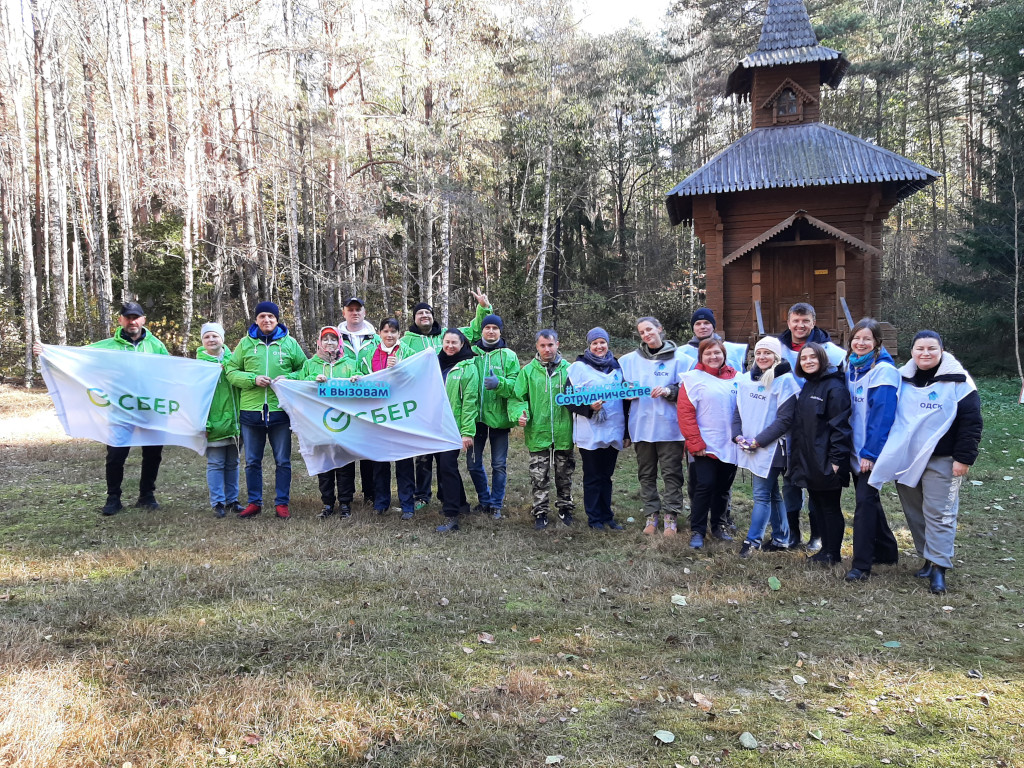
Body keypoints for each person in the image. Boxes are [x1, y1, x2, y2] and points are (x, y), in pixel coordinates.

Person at [869, 331, 983, 595]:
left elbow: (971, 421)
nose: (925, 353)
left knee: (940, 512)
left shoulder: (959, 381)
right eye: (920, 348)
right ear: (912, 352)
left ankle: (940, 567)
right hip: (907, 459)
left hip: (943, 459)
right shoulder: (902, 379)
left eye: (932, 348)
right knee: (915, 511)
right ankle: (928, 558)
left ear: (941, 350)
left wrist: (964, 458)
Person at [34, 301, 170, 516]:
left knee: (153, 453)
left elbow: (170, 372)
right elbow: (74, 358)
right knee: (116, 454)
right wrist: (48, 353)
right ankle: (113, 498)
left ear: (143, 320)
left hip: (150, 409)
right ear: (121, 320)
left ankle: (147, 495)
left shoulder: (156, 346)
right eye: (128, 317)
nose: (132, 321)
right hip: (119, 409)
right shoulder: (107, 346)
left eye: (136, 317)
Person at [404, 291, 492, 510]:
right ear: (414, 318)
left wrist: (482, 307)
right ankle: (422, 495)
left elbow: (472, 331)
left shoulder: (446, 336)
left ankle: (449, 498)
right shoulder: (407, 341)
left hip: (450, 410)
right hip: (423, 408)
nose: (424, 315)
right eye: (420, 313)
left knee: (446, 462)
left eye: (428, 312)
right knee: (423, 456)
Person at [225, 301, 307, 519]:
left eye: (271, 317)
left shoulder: (290, 343)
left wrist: (289, 378)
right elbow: (231, 371)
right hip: (251, 412)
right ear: (256, 320)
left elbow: (304, 369)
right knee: (252, 461)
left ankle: (281, 503)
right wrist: (252, 379)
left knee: (283, 460)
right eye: (262, 316)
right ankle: (254, 502)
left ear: (277, 319)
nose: (267, 320)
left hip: (280, 411)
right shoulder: (245, 344)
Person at [777, 302, 846, 551]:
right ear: (788, 322)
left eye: (805, 320)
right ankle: (792, 532)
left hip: (819, 426)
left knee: (817, 482)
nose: (800, 325)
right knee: (790, 480)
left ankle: (817, 534)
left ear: (813, 322)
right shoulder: (778, 348)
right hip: (788, 426)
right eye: (795, 320)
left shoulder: (832, 352)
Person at [618, 316, 692, 536]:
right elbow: (620, 393)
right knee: (646, 473)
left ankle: (671, 515)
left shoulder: (682, 360)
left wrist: (670, 391)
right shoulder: (628, 361)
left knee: (672, 473)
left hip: (670, 427)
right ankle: (651, 514)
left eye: (649, 329)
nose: (646, 334)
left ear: (660, 329)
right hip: (641, 426)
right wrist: (627, 392)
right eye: (641, 332)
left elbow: (688, 392)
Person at [843, 318, 900, 581]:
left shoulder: (884, 371)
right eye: (857, 338)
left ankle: (861, 565)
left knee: (864, 502)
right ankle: (887, 551)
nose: (861, 343)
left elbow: (883, 416)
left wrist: (870, 453)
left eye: (867, 339)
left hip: (871, 451)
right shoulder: (850, 365)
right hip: (854, 449)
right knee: (870, 499)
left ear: (877, 342)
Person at [731, 336, 798, 556]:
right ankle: (782, 538)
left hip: (772, 449)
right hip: (750, 445)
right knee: (772, 494)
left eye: (767, 353)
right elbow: (738, 410)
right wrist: (737, 436)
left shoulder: (785, 381)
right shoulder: (746, 380)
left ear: (776, 357)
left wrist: (758, 441)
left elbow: (785, 420)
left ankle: (753, 542)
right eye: (759, 353)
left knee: (760, 494)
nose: (762, 357)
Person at [788, 342, 853, 566]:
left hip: (827, 459)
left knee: (830, 506)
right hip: (810, 458)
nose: (808, 361)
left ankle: (833, 554)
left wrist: (836, 461)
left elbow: (840, 427)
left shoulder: (834, 388)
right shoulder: (809, 385)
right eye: (803, 358)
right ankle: (825, 550)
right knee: (818, 503)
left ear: (822, 359)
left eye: (812, 357)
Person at [288, 327, 361, 519]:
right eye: (325, 339)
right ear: (319, 342)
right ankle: (327, 503)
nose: (329, 342)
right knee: (325, 464)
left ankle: (345, 503)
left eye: (333, 339)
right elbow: (299, 385)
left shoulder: (350, 364)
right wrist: (313, 380)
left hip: (344, 422)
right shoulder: (310, 364)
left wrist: (356, 380)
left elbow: (362, 383)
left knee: (344, 463)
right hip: (317, 422)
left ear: (339, 343)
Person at [508, 329, 575, 529]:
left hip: (564, 432)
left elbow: (581, 395)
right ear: (537, 347)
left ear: (558, 344)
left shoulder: (570, 370)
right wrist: (519, 413)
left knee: (565, 473)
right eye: (543, 345)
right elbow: (517, 398)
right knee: (539, 475)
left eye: (550, 345)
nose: (547, 349)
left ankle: (565, 508)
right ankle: (540, 511)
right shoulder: (528, 371)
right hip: (538, 432)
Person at [677, 338, 739, 549]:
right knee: (704, 486)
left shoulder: (737, 378)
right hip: (704, 446)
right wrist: (695, 442)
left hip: (730, 444)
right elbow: (685, 413)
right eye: (708, 353)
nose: (713, 357)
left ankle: (718, 526)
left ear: (724, 354)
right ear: (701, 357)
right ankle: (697, 530)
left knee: (723, 488)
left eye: (717, 353)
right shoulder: (693, 379)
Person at [566, 328, 628, 530]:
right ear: (589, 346)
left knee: (606, 476)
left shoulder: (618, 368)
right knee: (592, 476)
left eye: (602, 342)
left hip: (613, 429)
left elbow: (627, 401)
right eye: (595, 343)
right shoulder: (578, 368)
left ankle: (607, 516)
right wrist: (589, 408)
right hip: (590, 431)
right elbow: (568, 400)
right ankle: (594, 519)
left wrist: (627, 432)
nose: (599, 346)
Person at [357, 318, 417, 520]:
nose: (389, 335)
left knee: (404, 461)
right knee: (379, 461)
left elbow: (417, 378)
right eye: (385, 331)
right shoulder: (369, 353)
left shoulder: (407, 351)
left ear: (399, 333)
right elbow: (360, 374)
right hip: (377, 414)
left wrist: (400, 367)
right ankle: (381, 502)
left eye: (393, 331)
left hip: (400, 413)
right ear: (379, 333)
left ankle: (407, 504)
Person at [468, 313, 520, 520]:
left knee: (499, 464)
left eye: (495, 328)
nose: (491, 331)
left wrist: (500, 384)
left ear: (500, 331)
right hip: (475, 418)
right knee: (473, 463)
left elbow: (517, 386)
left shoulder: (509, 356)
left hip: (499, 419)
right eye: (487, 327)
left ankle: (496, 504)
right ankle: (484, 500)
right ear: (481, 330)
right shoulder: (471, 352)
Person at [435, 329, 480, 532]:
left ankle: (451, 515)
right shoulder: (435, 362)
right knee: (444, 466)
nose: (450, 346)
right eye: (447, 342)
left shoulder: (468, 367)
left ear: (462, 344)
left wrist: (467, 432)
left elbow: (470, 402)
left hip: (454, 427)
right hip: (436, 424)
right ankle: (462, 505)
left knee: (447, 467)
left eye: (454, 342)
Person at [196, 322, 241, 518]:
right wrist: (202, 423)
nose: (211, 340)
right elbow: (195, 396)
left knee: (233, 462)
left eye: (215, 336)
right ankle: (218, 502)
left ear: (222, 338)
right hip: (213, 422)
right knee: (215, 462)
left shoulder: (234, 360)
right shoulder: (198, 365)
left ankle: (233, 500)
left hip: (235, 421)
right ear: (202, 341)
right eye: (207, 337)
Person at [338, 296, 379, 505]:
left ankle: (370, 494)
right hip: (342, 401)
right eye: (350, 309)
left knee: (368, 448)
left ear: (364, 313)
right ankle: (346, 494)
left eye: (358, 309)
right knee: (345, 447)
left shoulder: (376, 338)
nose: (355, 313)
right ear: (344, 312)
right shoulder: (334, 337)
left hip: (368, 400)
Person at [681, 307, 748, 372]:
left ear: (713, 327)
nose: (702, 327)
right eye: (698, 324)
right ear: (693, 328)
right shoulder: (682, 353)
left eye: (706, 323)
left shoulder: (732, 351)